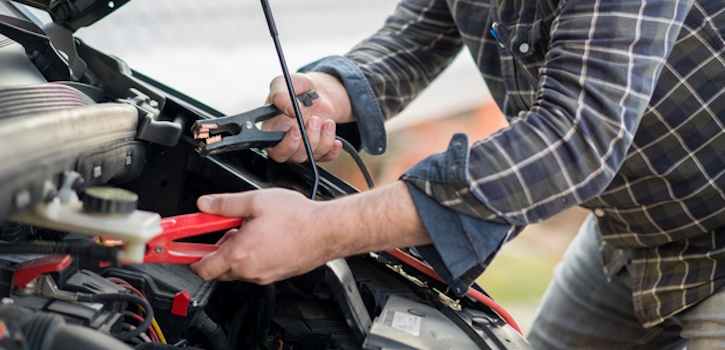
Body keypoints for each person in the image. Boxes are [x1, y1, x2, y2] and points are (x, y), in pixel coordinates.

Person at [189, 0, 725, 348]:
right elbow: (415, 37)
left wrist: (322, 230)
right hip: (629, 229)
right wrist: (325, 92)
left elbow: (571, 141)